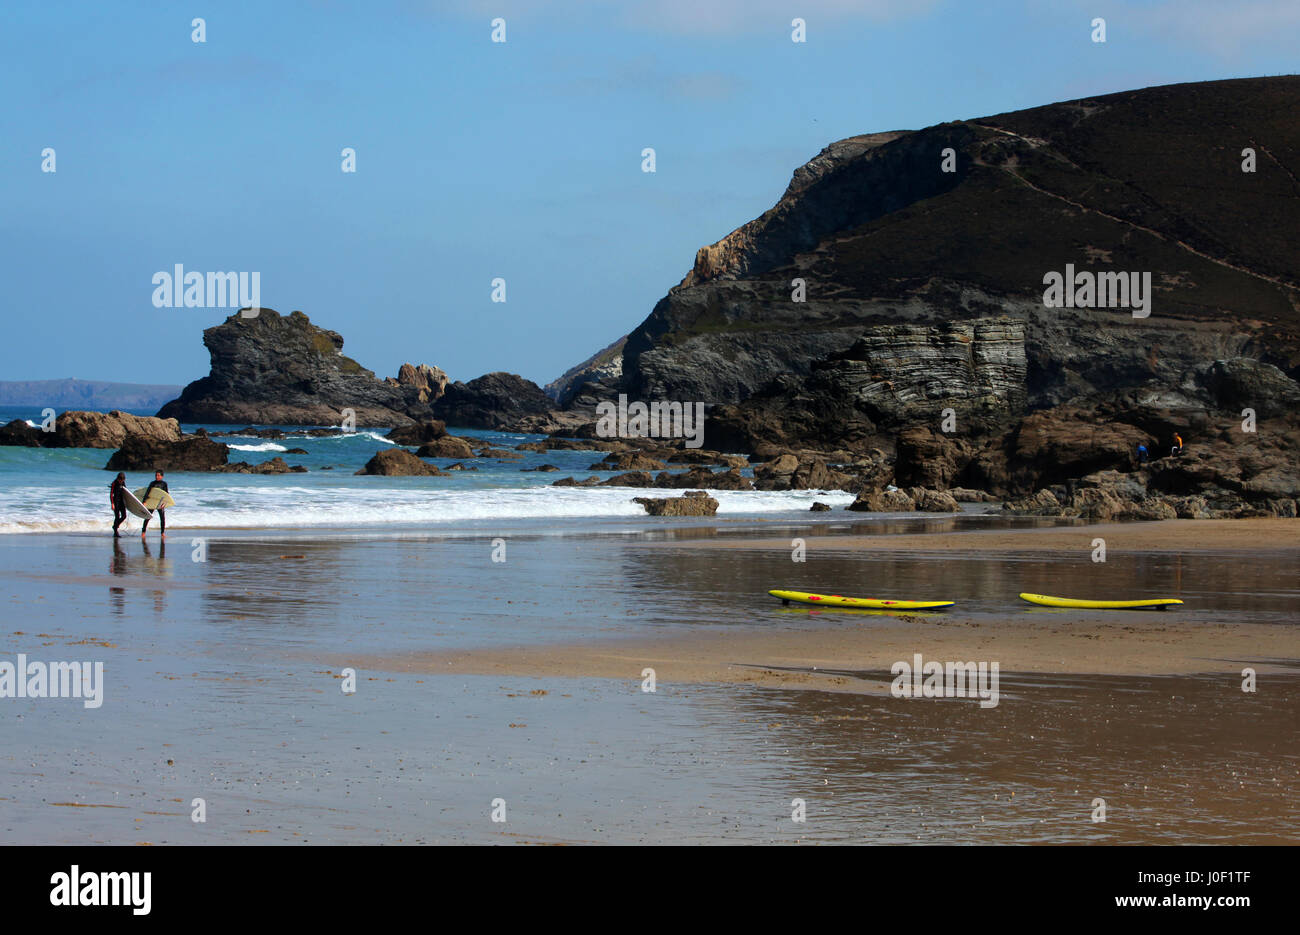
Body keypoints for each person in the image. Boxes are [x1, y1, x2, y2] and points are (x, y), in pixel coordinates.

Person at [140, 469, 169, 538]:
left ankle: (162, 533)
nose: (157, 477)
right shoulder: (152, 483)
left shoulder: (164, 484)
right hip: (152, 502)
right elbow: (148, 492)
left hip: (160, 503)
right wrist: (144, 501)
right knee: (148, 517)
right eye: (156, 475)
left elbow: (166, 494)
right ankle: (143, 532)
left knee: (162, 518)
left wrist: (164, 503)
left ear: (162, 476)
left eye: (158, 475)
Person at [108, 472, 128, 537]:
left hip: (122, 502)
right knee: (117, 517)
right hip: (116, 502)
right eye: (120, 480)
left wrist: (127, 502)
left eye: (122, 480)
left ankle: (115, 526)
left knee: (124, 516)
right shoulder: (114, 483)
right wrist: (112, 503)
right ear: (117, 478)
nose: (121, 481)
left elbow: (126, 492)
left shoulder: (123, 483)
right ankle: (116, 532)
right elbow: (111, 494)